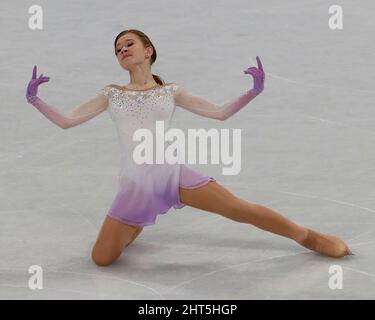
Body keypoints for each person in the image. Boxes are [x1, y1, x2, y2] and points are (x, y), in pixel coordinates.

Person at [26, 29, 352, 267]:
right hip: (135, 185)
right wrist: (35, 100)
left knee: (238, 209)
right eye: (117, 48)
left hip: (170, 173)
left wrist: (253, 92)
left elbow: (219, 112)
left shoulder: (170, 91)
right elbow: (68, 121)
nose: (122, 49)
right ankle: (138, 221)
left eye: (129, 44)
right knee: (102, 259)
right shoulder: (111, 93)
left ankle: (307, 236)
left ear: (148, 50)